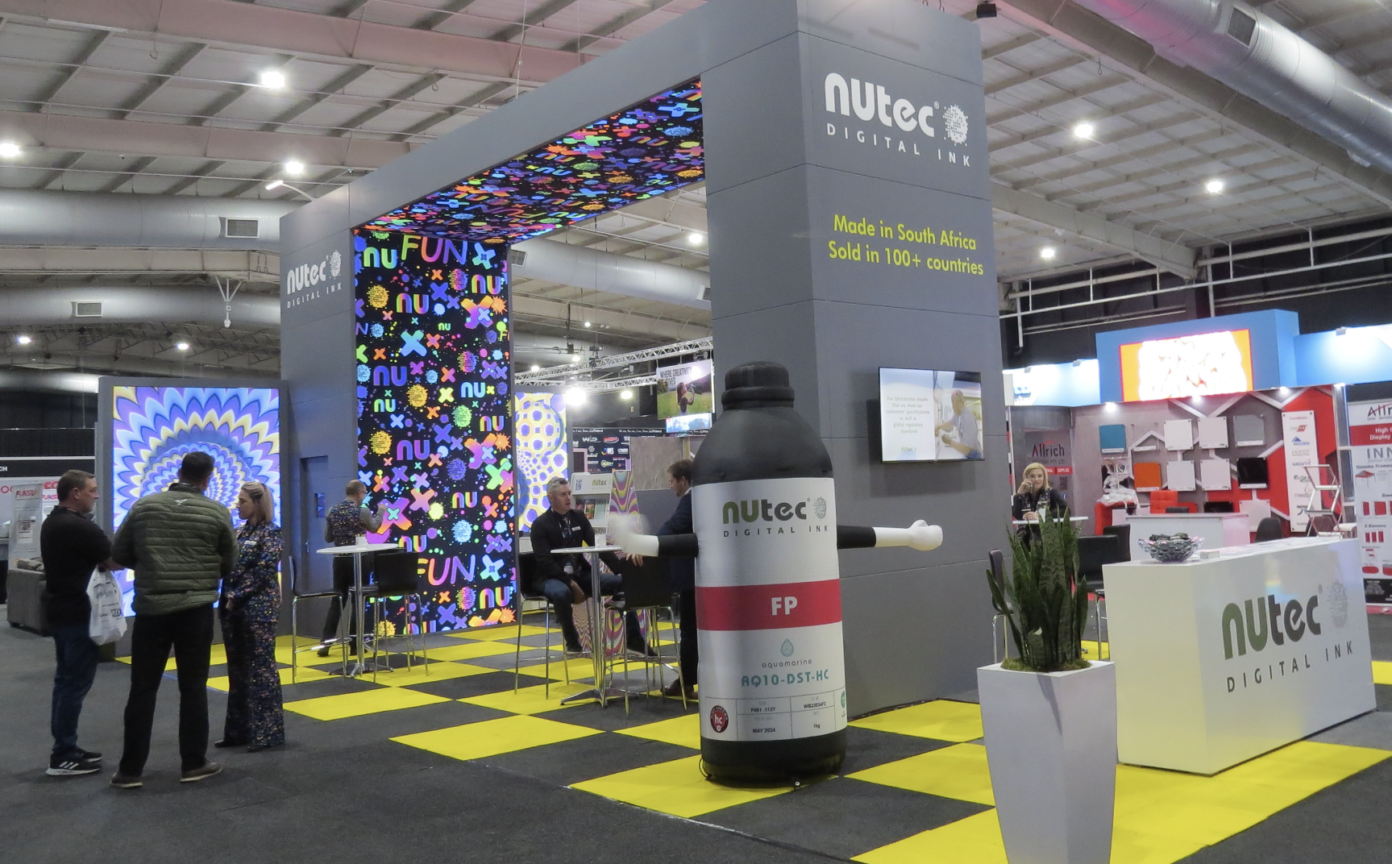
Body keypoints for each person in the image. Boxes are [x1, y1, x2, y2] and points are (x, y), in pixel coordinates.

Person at [109, 452, 237, 789]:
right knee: (193, 686)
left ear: (179, 472)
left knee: (142, 688)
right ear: (207, 478)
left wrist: (151, 566)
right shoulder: (216, 511)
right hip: (195, 609)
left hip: (151, 607)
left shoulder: (144, 507)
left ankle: (130, 770)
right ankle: (193, 763)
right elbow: (229, 562)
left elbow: (119, 553)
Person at [39, 470, 114, 777]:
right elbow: (114, 560)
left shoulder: (53, 523)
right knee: (74, 684)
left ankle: (66, 747)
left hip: (60, 612)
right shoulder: (80, 527)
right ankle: (63, 755)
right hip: (78, 615)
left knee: (65, 682)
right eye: (92, 490)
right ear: (75, 493)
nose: (96, 495)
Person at [528, 477, 647, 655]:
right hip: (551, 577)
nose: (568, 498)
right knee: (561, 593)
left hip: (580, 574)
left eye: (569, 493)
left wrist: (622, 571)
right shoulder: (540, 525)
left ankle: (633, 637)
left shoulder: (578, 517)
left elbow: (597, 547)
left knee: (623, 583)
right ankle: (572, 642)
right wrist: (570, 583)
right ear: (551, 498)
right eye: (563, 495)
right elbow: (545, 562)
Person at [216, 482, 285, 753]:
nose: (238, 505)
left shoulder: (272, 533)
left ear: (257, 503)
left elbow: (264, 569)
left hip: (259, 608)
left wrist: (237, 594)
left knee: (261, 669)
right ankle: (238, 732)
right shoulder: (239, 531)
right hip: (231, 607)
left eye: (243, 501)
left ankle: (267, 733)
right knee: (236, 669)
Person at [318, 480, 386, 656]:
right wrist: (381, 512)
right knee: (358, 600)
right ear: (359, 493)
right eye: (364, 493)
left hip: (340, 561)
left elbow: (328, 538)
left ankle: (325, 644)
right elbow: (374, 528)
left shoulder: (332, 511)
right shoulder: (362, 511)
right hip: (359, 560)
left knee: (337, 601)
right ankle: (355, 645)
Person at [657, 460, 696, 699]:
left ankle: (686, 682)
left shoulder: (691, 500)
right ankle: (687, 681)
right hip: (700, 578)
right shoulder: (703, 498)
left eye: (672, 481)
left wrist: (650, 545)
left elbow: (673, 526)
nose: (671, 486)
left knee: (689, 630)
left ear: (683, 480)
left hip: (693, 578)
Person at [1012, 462, 1067, 539]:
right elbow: (1017, 515)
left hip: (1048, 537)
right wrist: (1019, 493)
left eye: (1040, 476)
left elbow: (1065, 510)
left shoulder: (1052, 493)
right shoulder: (1023, 495)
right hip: (1027, 537)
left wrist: (1040, 515)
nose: (1036, 479)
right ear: (1026, 478)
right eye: (1032, 476)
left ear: (1044, 478)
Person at [936, 389, 982, 459]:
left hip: (975, 455)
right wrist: (939, 427)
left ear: (959, 403)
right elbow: (950, 423)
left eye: (953, 404)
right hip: (967, 454)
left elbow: (966, 450)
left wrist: (949, 441)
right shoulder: (958, 414)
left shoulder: (968, 419)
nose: (952, 407)